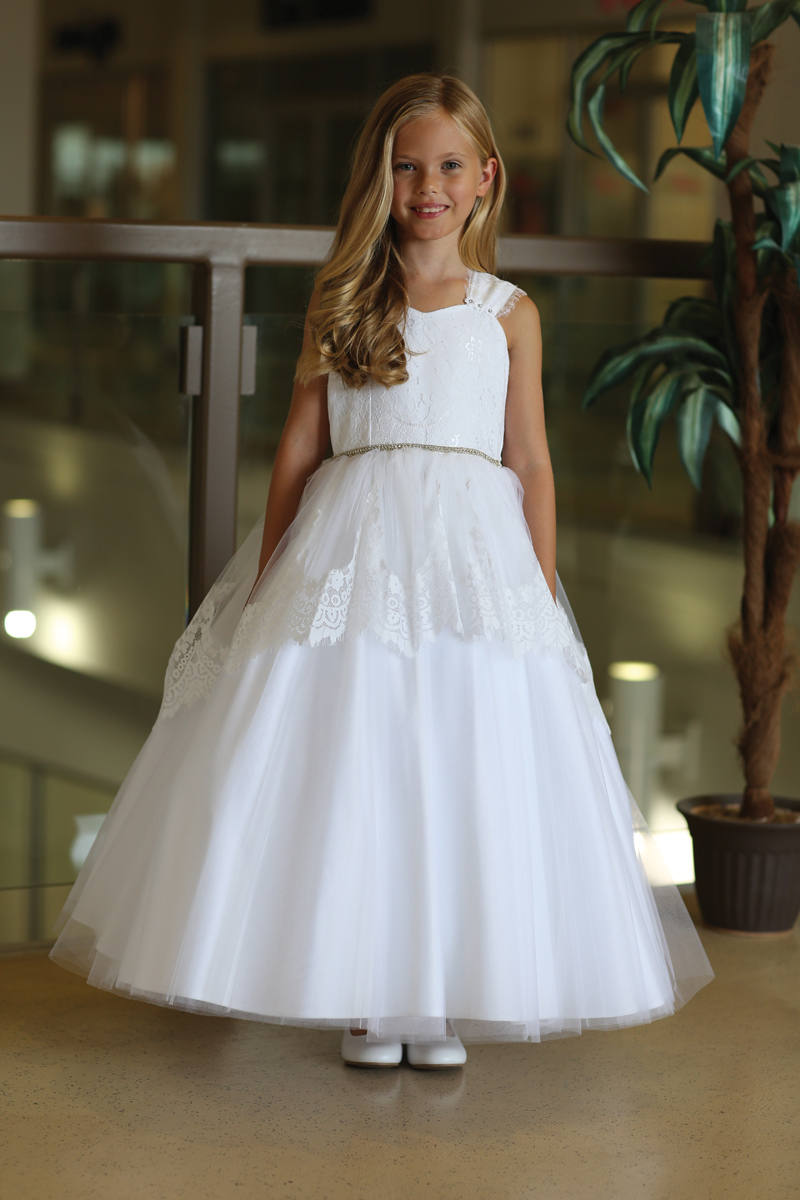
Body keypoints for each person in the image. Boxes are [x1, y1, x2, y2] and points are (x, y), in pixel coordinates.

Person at [50, 74, 713, 1070]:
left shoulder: (508, 313)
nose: (427, 185)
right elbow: (295, 452)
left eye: (448, 165)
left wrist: (533, 590)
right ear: (380, 178)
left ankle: (431, 993)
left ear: (485, 178)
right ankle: (368, 989)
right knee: (359, 761)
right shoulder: (345, 300)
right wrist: (268, 576)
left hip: (471, 559)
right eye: (407, 167)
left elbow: (527, 460)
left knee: (455, 757)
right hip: (351, 549)